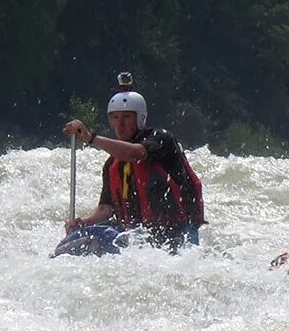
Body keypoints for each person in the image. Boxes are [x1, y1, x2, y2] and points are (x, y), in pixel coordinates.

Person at [63, 84, 206, 249]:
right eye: (115, 118)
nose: (120, 124)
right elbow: (105, 209)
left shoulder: (162, 139)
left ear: (140, 118)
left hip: (179, 230)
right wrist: (83, 223)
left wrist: (91, 138)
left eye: (126, 117)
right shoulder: (112, 163)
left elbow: (137, 153)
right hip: (141, 235)